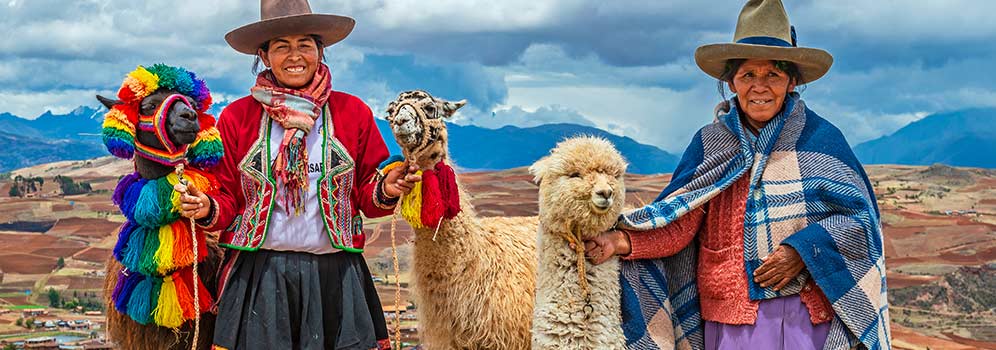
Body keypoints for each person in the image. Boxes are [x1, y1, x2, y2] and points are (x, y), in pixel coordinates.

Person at [583, 1, 890, 349]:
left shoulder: (821, 141)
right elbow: (680, 217)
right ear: (731, 82)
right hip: (729, 321)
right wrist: (623, 241)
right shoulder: (710, 143)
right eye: (748, 76)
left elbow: (861, 223)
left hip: (804, 319)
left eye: (772, 75)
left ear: (791, 81)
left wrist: (804, 250)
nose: (760, 86)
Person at [176, 1, 420, 349]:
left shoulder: (352, 113)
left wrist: (388, 186)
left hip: (335, 278)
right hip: (261, 279)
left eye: (305, 44)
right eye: (281, 46)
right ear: (263, 55)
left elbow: (369, 195)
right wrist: (206, 206)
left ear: (321, 50)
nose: (295, 56)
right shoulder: (237, 118)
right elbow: (226, 197)